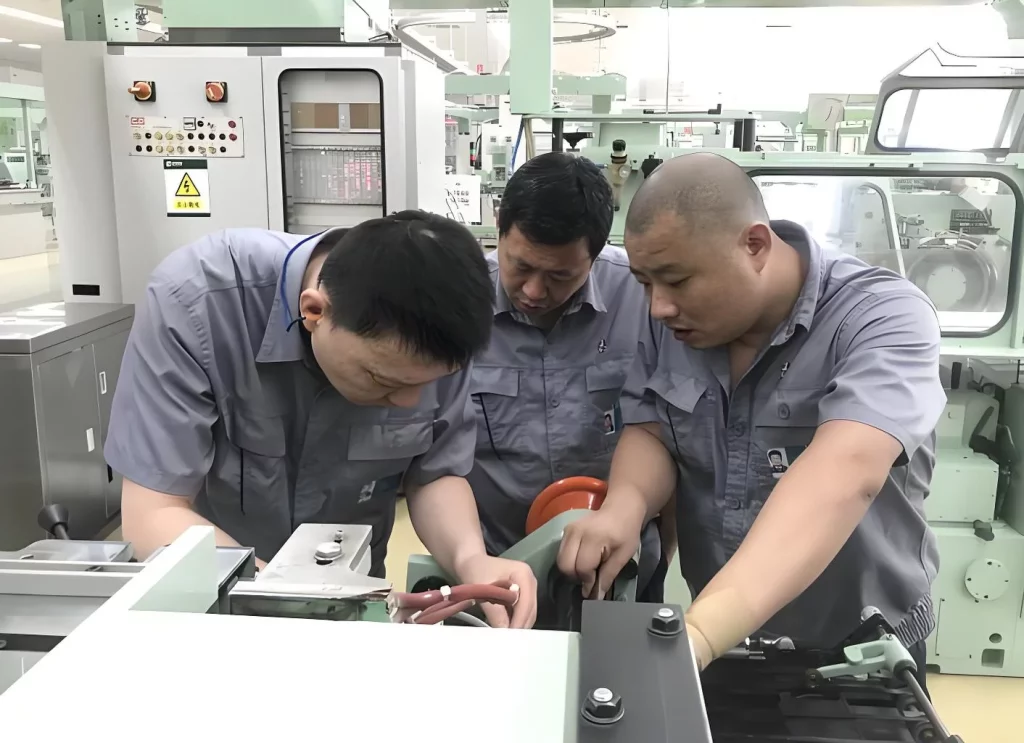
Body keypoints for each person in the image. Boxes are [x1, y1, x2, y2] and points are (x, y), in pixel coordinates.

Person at [557, 152, 944, 689]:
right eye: (644, 283)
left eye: (676, 280)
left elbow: (843, 475)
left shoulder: (881, 317)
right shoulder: (675, 323)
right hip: (728, 638)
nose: (658, 307)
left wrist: (700, 634)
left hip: (858, 649)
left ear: (755, 246)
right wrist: (625, 507)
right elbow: (654, 430)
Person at [104, 212, 538, 628]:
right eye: (382, 380)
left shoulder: (437, 334)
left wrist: (471, 559)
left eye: (427, 384)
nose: (410, 402)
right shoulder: (197, 300)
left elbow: (435, 474)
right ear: (314, 311)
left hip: (347, 608)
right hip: (215, 605)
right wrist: (287, 600)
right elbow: (153, 513)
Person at [467, 152, 667, 604]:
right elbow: (436, 454)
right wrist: (469, 558)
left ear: (595, 254)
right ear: (499, 227)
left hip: (619, 561)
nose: (534, 291)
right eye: (520, 266)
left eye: (561, 275)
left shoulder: (643, 299)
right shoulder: (461, 302)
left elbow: (668, 430)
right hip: (494, 563)